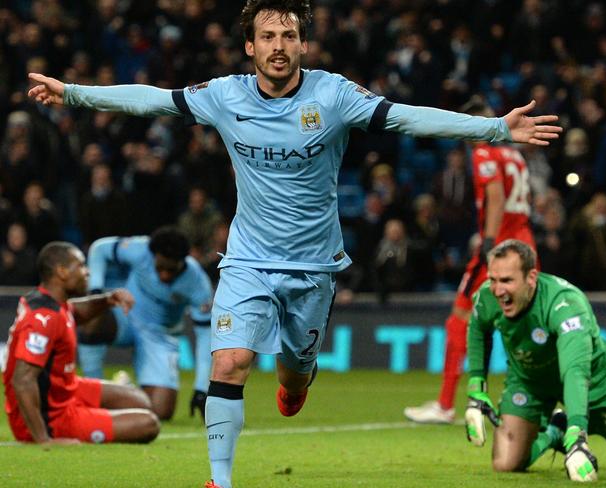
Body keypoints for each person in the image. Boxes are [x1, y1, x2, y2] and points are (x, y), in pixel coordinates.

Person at [26, 1, 561, 486]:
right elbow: (151, 101)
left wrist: (493, 127)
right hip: (247, 260)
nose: (278, 46)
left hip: (313, 267)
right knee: (229, 362)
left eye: (288, 35)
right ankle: (220, 480)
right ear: (249, 46)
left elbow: (405, 118)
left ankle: (296, 381)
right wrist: (73, 92)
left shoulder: (333, 95)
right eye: (267, 36)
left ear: (303, 44)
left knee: (293, 376)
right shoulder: (224, 95)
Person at [464, 239, 606, 481]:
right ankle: (554, 431)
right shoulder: (486, 298)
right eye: (493, 279)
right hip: (530, 380)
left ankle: (600, 429)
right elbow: (478, 326)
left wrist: (577, 434)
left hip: (594, 385)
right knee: (505, 462)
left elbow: (575, 371)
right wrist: (476, 387)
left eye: (507, 281)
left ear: (531, 278)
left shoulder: (565, 304)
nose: (498, 290)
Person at [404, 96, 537, 424]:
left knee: (458, 320)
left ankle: (445, 404)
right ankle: (541, 401)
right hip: (526, 244)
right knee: (528, 324)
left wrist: (489, 244)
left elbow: (495, 195)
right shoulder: (513, 153)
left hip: (501, 250)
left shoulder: (483, 150)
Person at [2, 241, 160, 444]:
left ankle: (88, 416)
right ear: (62, 272)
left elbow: (75, 312)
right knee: (148, 424)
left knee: (140, 400)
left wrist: (106, 300)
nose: (87, 272)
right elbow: (22, 381)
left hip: (64, 390)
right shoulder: (43, 318)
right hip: (51, 417)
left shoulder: (50, 302)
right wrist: (43, 439)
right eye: (81, 265)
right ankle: (81, 421)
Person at [77, 226, 214, 421]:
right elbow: (99, 249)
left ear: (183, 261)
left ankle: (122, 390)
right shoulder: (140, 249)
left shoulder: (198, 282)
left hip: (159, 335)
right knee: (92, 315)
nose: (165, 275)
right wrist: (96, 293)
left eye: (171, 270)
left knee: (160, 412)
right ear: (153, 256)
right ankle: (92, 393)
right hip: (125, 314)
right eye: (160, 268)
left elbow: (205, 335)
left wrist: (201, 387)